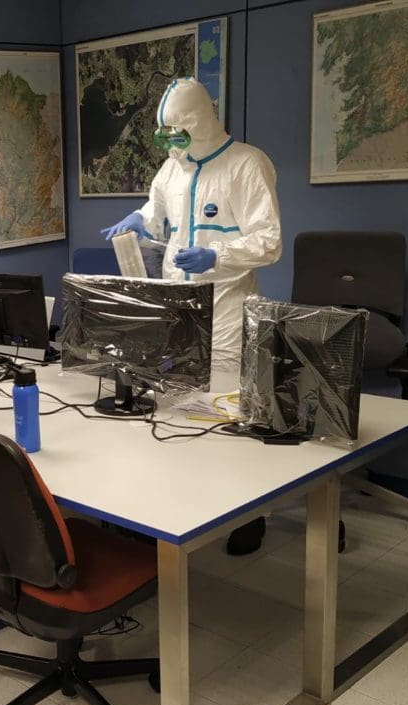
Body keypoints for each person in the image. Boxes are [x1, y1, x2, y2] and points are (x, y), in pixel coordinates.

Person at [102, 77, 281, 555]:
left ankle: (248, 513)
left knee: (226, 408)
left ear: (200, 122)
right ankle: (183, 505)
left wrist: (217, 255)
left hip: (226, 305)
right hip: (175, 304)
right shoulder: (172, 168)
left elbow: (269, 241)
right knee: (175, 403)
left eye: (177, 133)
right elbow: (158, 213)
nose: (171, 143)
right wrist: (140, 219)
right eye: (164, 135)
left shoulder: (247, 164)